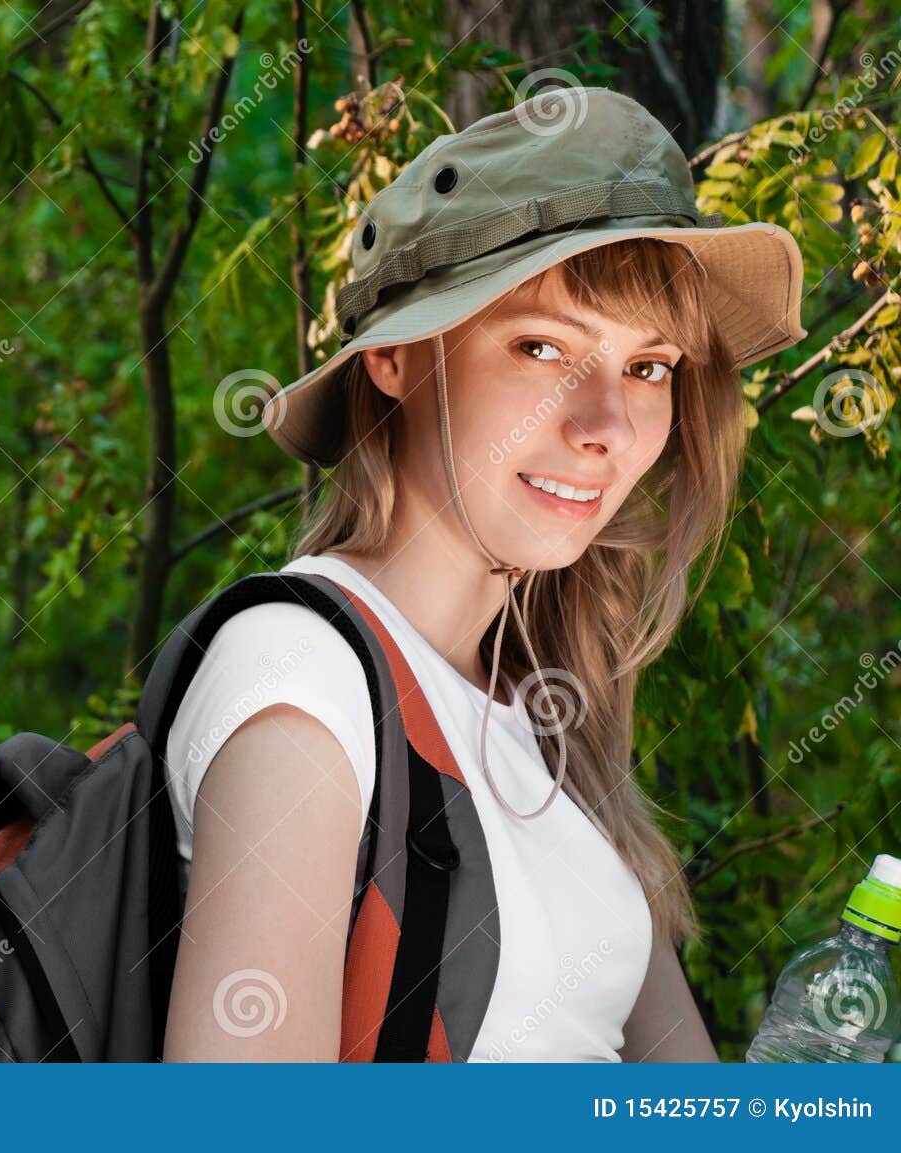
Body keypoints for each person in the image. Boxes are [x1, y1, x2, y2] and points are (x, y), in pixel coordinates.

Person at [161, 86, 807, 1061]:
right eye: (542, 347)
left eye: (649, 367)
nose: (606, 426)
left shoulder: (545, 721)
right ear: (395, 358)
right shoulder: (302, 676)